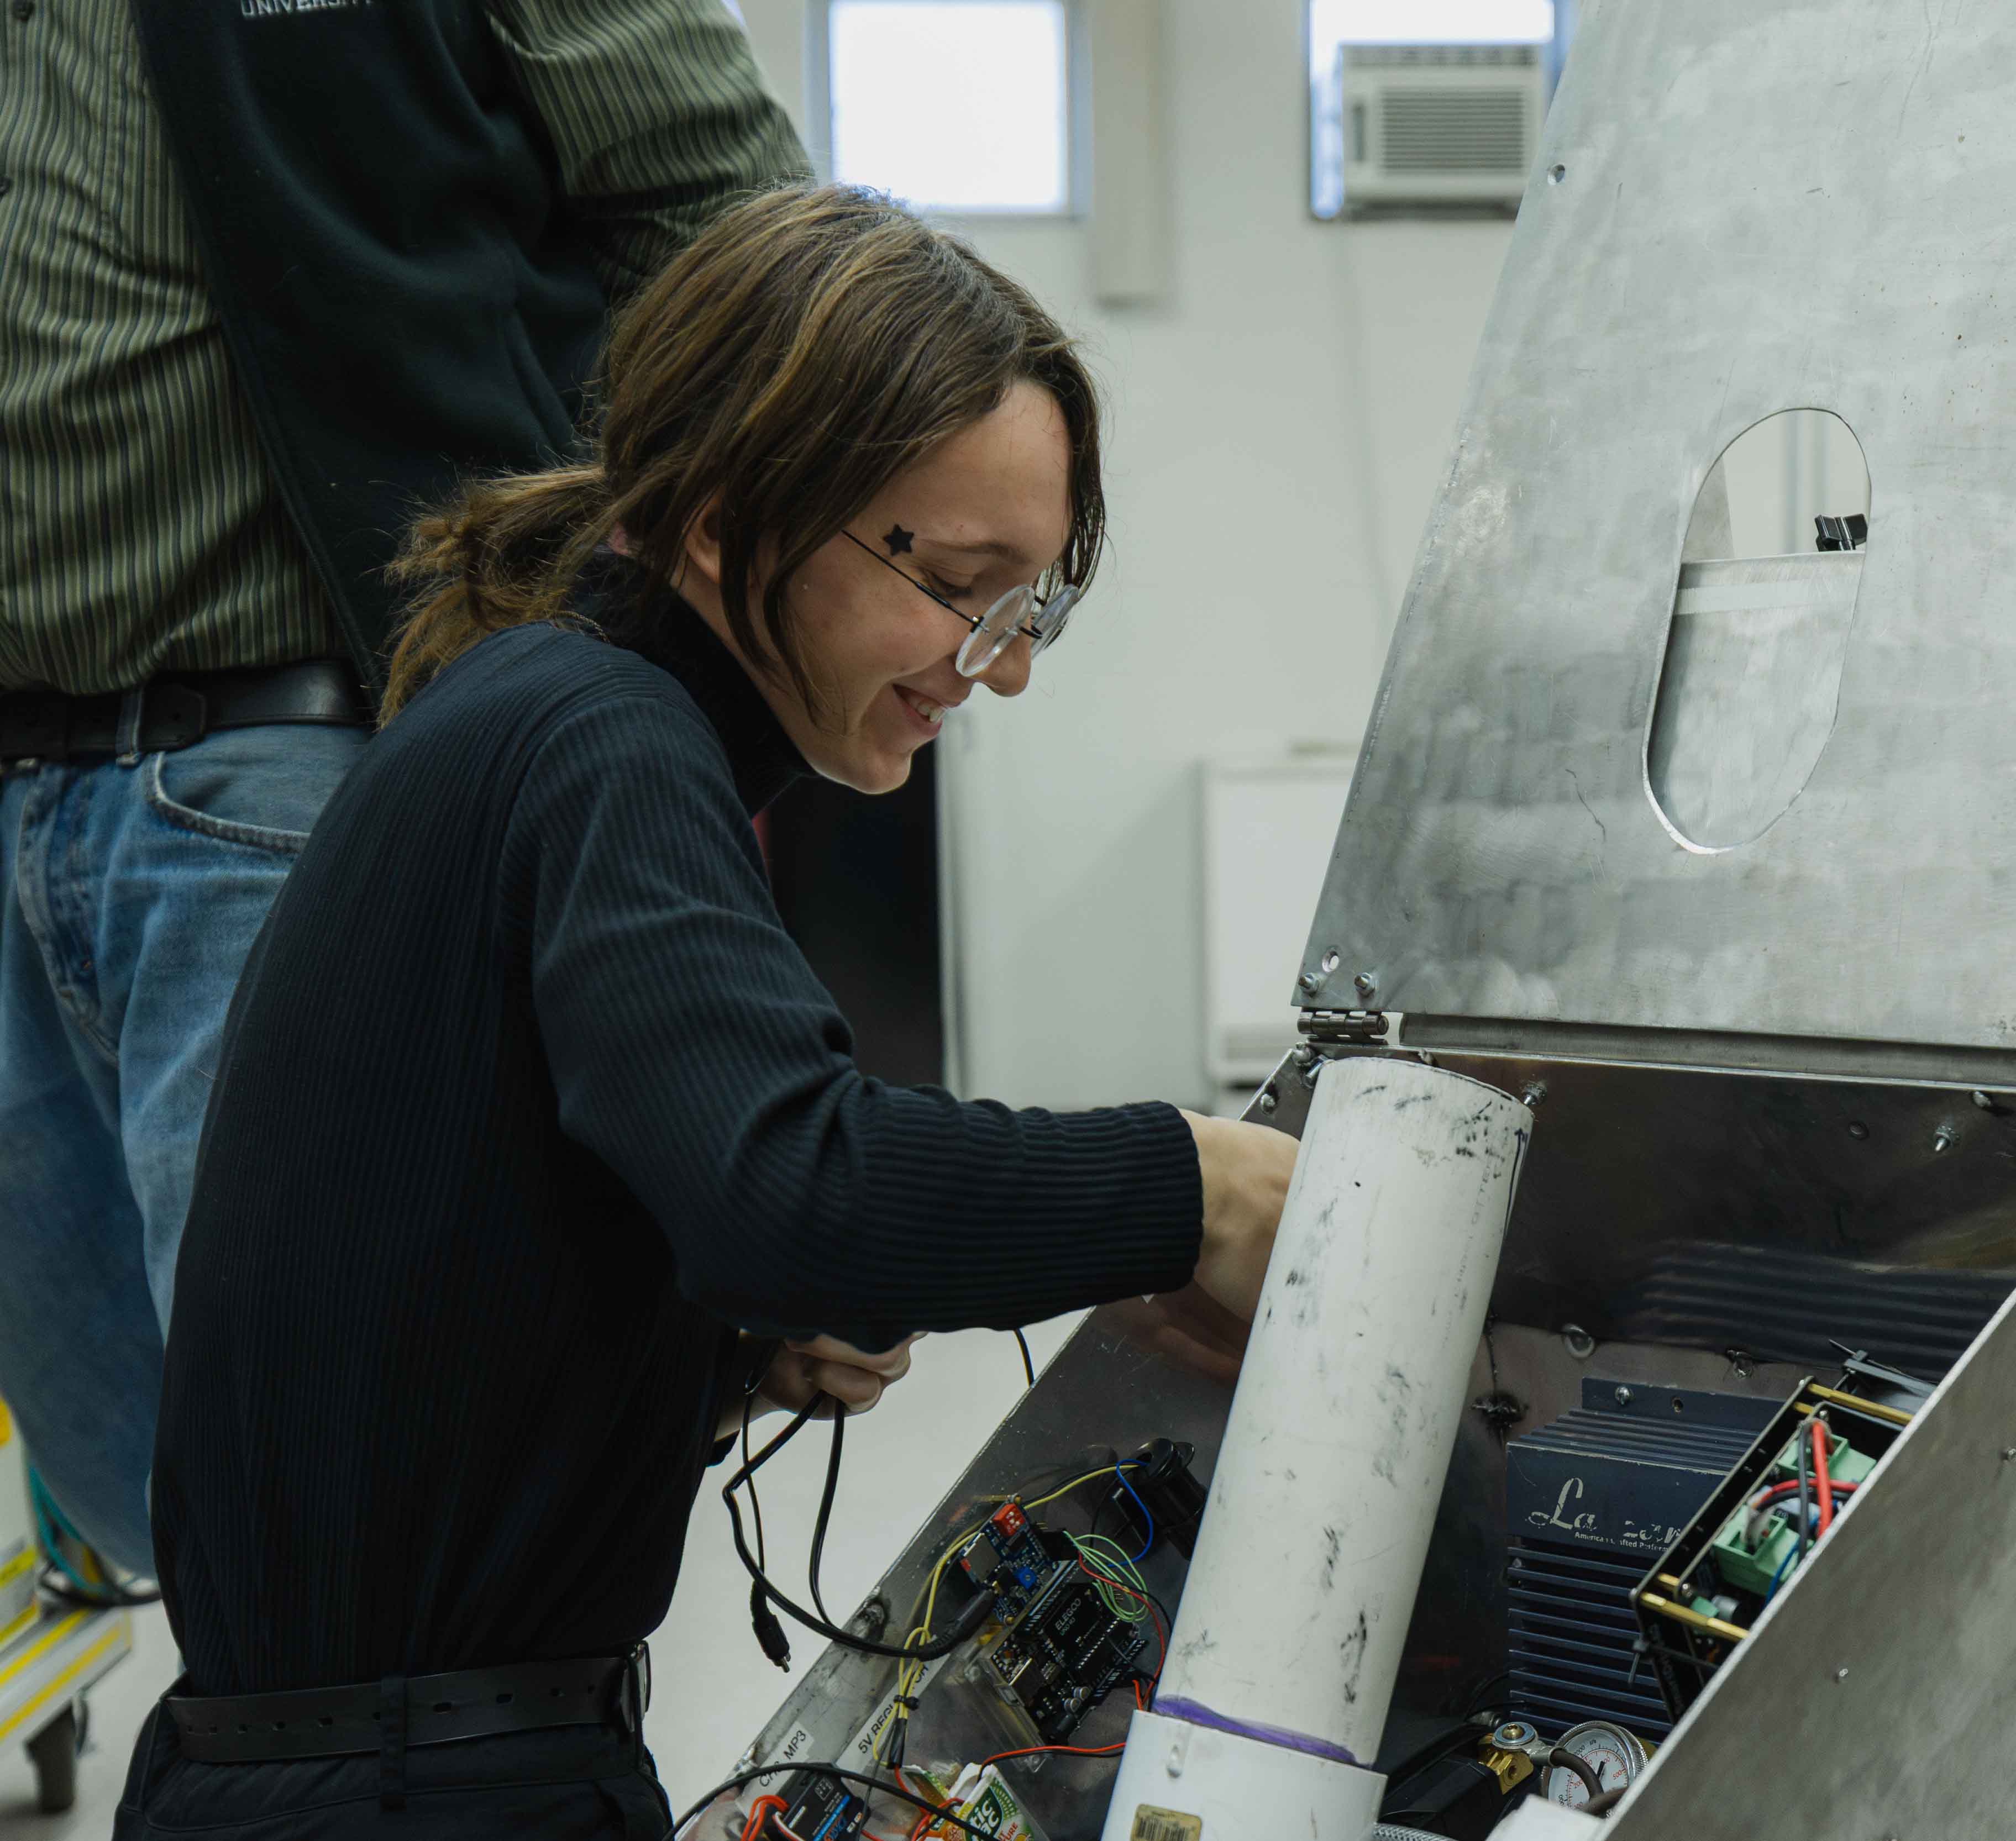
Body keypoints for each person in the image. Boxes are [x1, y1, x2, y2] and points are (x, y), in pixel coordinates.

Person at [114, 185, 1302, 1839]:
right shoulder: (605, 741)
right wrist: (1201, 1182)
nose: (999, 662)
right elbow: (793, 1188)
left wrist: (718, 1351)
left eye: (1029, 606)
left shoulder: (521, 713)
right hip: (425, 1789)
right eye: (962, 582)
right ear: (730, 518)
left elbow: (442, 1288)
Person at [0, 0, 806, 1577]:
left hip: (302, 757)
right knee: (138, 1496)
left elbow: (743, 250)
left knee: (374, 1518)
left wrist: (566, 628)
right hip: (20, 780)